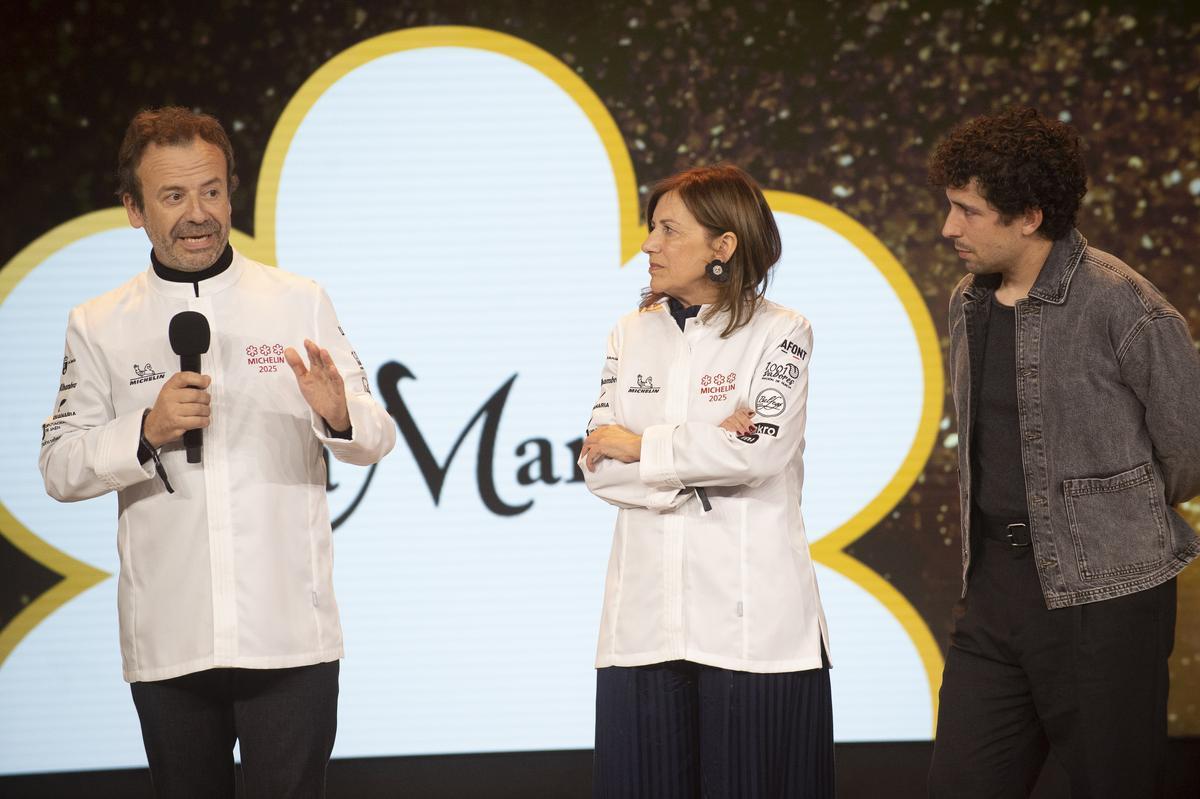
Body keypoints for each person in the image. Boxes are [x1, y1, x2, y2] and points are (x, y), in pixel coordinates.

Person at [38, 106, 396, 798]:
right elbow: (59, 466)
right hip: (169, 639)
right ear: (134, 210)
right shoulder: (97, 323)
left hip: (289, 635)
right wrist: (146, 429)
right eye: (173, 196)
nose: (197, 213)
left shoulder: (298, 301)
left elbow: (376, 433)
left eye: (211, 191)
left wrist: (338, 411)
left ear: (231, 195)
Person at [926, 106, 1200, 798]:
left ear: (1030, 216)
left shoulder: (1123, 303)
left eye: (968, 210)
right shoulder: (968, 301)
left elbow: (1190, 449)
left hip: (1106, 595)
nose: (949, 227)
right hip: (993, 593)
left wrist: (1111, 513)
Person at [580, 164, 834, 798]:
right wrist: (705, 449)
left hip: (755, 634)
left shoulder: (782, 331)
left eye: (668, 230)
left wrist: (641, 446)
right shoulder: (629, 332)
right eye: (652, 228)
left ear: (723, 245)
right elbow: (599, 468)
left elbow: (759, 452)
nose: (649, 245)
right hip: (641, 630)